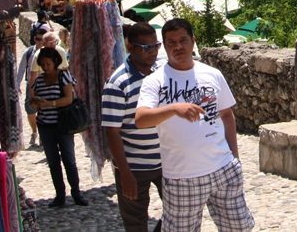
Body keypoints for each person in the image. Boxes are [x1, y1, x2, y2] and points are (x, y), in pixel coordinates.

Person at [136, 19, 253, 232]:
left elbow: (226, 115)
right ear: (164, 46)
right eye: (171, 42)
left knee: (239, 229)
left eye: (183, 40)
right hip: (182, 178)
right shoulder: (154, 81)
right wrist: (173, 109)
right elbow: (141, 119)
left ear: (193, 41)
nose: (178, 46)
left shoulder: (212, 74)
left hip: (223, 170)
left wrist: (234, 159)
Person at [102, 23, 164, 232]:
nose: (153, 52)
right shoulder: (117, 84)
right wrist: (125, 173)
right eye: (146, 48)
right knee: (136, 223)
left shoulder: (159, 75)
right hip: (134, 168)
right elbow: (112, 131)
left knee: (180, 211)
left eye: (156, 46)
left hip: (166, 163)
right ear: (130, 48)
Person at [30, 47, 86, 208]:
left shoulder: (63, 75)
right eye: (43, 64)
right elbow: (34, 102)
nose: (45, 67)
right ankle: (59, 194)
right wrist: (35, 104)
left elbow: (69, 98)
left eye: (47, 64)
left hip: (63, 125)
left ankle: (76, 192)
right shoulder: (39, 80)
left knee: (69, 160)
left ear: (55, 62)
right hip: (45, 126)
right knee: (53, 162)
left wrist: (50, 104)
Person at [16, 29, 46, 146]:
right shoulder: (28, 53)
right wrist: (17, 85)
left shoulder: (48, 53)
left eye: (42, 39)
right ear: (34, 39)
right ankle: (34, 131)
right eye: (38, 39)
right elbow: (22, 69)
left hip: (44, 86)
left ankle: (43, 136)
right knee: (30, 110)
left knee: (43, 111)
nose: (40, 42)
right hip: (31, 85)